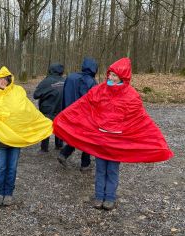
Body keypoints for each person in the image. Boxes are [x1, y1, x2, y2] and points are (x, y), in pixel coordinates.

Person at [53, 58, 173, 210]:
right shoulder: (100, 89)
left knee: (112, 170)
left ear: (122, 77)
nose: (110, 77)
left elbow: (139, 118)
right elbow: (83, 105)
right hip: (101, 139)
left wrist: (155, 141)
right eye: (110, 74)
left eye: (114, 76)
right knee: (101, 169)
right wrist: (65, 119)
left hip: (117, 142)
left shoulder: (131, 95)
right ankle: (98, 197)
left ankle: (109, 198)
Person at [0, 66, 52, 206]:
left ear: (9, 79)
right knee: (1, 167)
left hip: (15, 139)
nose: (2, 81)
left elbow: (28, 111)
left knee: (12, 168)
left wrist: (45, 123)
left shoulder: (18, 92)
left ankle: (8, 194)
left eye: (4, 78)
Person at [57, 57, 98, 171]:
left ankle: (64, 154)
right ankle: (85, 164)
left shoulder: (70, 77)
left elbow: (64, 95)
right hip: (85, 116)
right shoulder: (92, 82)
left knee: (76, 136)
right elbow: (94, 102)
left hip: (70, 113)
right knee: (87, 139)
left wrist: (64, 111)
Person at [33, 63, 64, 152]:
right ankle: (59, 145)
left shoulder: (46, 81)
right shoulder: (65, 81)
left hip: (48, 109)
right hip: (61, 109)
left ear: (50, 70)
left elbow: (36, 95)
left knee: (46, 126)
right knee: (59, 126)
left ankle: (44, 148)